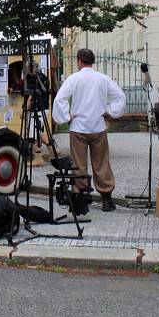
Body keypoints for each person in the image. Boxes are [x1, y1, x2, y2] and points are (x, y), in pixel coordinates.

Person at [52, 48, 126, 212]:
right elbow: (120, 96)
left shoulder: (74, 78)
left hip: (78, 127)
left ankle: (81, 198)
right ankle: (106, 198)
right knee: (101, 163)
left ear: (79, 61)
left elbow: (59, 99)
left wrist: (66, 117)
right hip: (98, 126)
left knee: (79, 164)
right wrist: (110, 111)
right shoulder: (103, 78)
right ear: (92, 61)